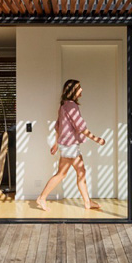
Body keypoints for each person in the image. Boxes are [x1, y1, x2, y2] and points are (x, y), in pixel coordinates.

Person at [36, 79, 106, 212]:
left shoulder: (64, 105)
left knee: (81, 172)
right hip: (70, 146)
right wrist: (97, 139)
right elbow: (80, 127)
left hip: (69, 145)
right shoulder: (71, 106)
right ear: (73, 90)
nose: (81, 90)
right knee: (62, 174)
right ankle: (42, 197)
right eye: (79, 88)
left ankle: (87, 202)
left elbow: (58, 126)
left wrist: (56, 145)